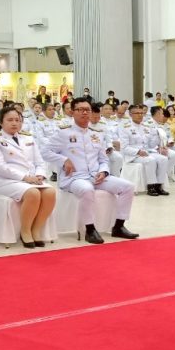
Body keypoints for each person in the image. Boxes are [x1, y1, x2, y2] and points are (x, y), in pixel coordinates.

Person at [41, 96, 138, 244]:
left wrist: (103, 172)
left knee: (128, 187)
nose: (84, 113)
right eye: (80, 110)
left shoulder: (96, 134)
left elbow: (103, 159)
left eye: (87, 110)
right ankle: (90, 229)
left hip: (95, 176)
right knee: (87, 189)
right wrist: (64, 160)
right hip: (74, 178)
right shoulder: (63, 133)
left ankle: (119, 226)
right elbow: (44, 152)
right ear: (72, 112)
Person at [0, 107, 56, 248]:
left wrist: (40, 174)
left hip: (30, 179)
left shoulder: (28, 138)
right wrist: (25, 177)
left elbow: (39, 162)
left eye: (17, 120)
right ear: (1, 122)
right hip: (5, 181)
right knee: (33, 193)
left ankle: (36, 229)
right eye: (10, 120)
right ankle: (25, 231)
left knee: (50, 192)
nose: (14, 123)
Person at [120, 104, 170, 196]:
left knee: (163, 159)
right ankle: (151, 186)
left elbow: (150, 144)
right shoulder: (125, 128)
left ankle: (159, 186)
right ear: (130, 114)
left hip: (147, 152)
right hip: (133, 155)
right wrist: (138, 152)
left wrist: (158, 138)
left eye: (141, 113)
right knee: (150, 160)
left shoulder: (146, 127)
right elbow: (124, 148)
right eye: (137, 113)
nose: (140, 115)